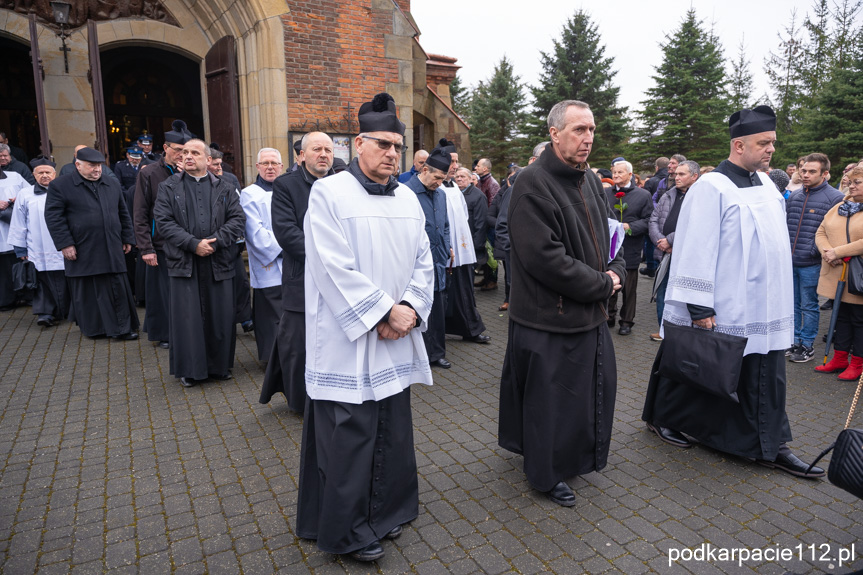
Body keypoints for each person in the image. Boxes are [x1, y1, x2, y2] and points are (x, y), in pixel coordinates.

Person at [641, 105, 825, 479]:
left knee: (758, 369)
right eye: (764, 142)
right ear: (739, 145)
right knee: (700, 363)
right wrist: (697, 305)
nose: (772, 149)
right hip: (726, 299)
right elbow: (695, 246)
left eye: (773, 142)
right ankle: (665, 418)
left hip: (764, 300)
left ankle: (767, 443)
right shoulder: (711, 187)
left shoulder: (765, 185)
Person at [296, 92, 434, 562]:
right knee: (351, 437)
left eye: (398, 145)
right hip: (348, 340)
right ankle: (348, 529)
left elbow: (424, 261)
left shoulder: (410, 199)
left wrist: (410, 308)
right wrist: (382, 313)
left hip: (396, 336)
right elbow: (332, 266)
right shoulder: (329, 193)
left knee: (392, 431)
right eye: (383, 144)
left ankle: (385, 513)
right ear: (358, 144)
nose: (392, 153)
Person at [499, 100, 625, 507]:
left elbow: (607, 237)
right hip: (547, 318)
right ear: (554, 133)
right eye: (578, 130)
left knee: (586, 395)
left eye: (590, 130)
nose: (587, 138)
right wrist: (603, 284)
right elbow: (545, 259)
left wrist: (617, 268)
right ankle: (544, 473)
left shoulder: (590, 179)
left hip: (587, 313)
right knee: (549, 403)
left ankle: (569, 458)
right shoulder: (531, 183)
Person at [153, 139, 245, 387]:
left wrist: (215, 242)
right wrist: (193, 244)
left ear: (207, 159)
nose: (188, 156)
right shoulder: (168, 187)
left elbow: (237, 219)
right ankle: (190, 370)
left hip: (219, 260)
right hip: (185, 261)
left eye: (195, 152)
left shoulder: (225, 187)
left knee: (220, 316)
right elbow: (163, 222)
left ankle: (219, 366)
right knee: (187, 319)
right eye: (185, 152)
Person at [259, 132, 334, 411]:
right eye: (317, 149)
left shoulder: (340, 184)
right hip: (301, 277)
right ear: (301, 156)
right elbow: (287, 234)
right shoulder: (285, 185)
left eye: (328, 149)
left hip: (336, 278)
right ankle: (301, 401)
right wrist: (329, 258)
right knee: (297, 344)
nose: (324, 154)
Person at [44, 147, 139, 340]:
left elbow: (123, 213)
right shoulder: (61, 185)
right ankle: (95, 330)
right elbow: (54, 217)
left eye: (99, 166)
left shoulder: (112, 183)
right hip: (82, 248)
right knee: (89, 290)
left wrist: (128, 237)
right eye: (92, 166)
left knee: (117, 287)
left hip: (112, 246)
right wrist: (65, 244)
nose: (97, 170)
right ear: (77, 165)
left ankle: (123, 328)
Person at [134, 120, 193, 349]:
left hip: (187, 242)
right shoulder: (149, 173)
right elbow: (139, 212)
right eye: (178, 151)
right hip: (159, 243)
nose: (182, 156)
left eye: (186, 152)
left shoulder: (192, 171)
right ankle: (165, 333)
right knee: (163, 293)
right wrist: (145, 248)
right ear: (166, 148)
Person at [785, 152, 843, 363]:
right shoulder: (795, 196)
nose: (806, 175)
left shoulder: (835, 198)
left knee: (809, 305)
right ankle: (794, 340)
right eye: (804, 170)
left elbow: (835, 233)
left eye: (812, 171)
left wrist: (817, 251)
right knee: (792, 304)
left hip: (812, 263)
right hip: (790, 261)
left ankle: (807, 345)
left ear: (825, 173)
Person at [404, 147, 453, 368]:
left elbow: (445, 225)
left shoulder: (441, 195)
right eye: (437, 178)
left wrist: (447, 247)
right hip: (414, 263)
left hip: (439, 261)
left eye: (443, 179)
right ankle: (417, 354)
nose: (440, 183)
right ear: (424, 170)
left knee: (438, 311)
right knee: (418, 308)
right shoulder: (405, 193)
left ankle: (436, 352)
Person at [814, 166, 863, 380]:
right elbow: (821, 230)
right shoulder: (840, 206)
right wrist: (827, 252)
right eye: (850, 182)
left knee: (859, 320)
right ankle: (840, 358)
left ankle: (858, 363)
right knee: (840, 316)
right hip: (837, 274)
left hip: (858, 277)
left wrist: (838, 252)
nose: (851, 186)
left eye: (857, 182)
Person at [8, 157, 68, 326]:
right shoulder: (24, 194)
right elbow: (18, 223)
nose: (44, 176)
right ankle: (45, 313)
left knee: (66, 279)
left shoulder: (65, 191)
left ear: (54, 174)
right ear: (33, 175)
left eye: (47, 172)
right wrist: (20, 250)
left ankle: (69, 311)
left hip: (63, 245)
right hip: (37, 248)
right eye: (40, 173)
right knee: (41, 281)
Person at [240, 148, 284, 363]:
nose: (270, 167)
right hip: (269, 265)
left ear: (281, 167)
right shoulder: (249, 194)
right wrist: (288, 245)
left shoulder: (288, 190)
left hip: (293, 266)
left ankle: (289, 357)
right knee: (270, 317)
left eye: (274, 163)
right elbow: (255, 233)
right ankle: (271, 360)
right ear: (257, 167)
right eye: (265, 163)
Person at [647, 160, 699, 341]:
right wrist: (660, 241)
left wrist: (669, 240)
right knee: (662, 293)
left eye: (681, 174)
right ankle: (663, 330)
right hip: (664, 254)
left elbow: (694, 224)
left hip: (685, 255)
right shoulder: (668, 195)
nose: (676, 177)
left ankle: (682, 332)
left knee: (682, 295)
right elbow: (653, 219)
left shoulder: (700, 198)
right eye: (675, 174)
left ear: (694, 176)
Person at [605, 160, 653, 335]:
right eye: (614, 172)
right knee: (610, 281)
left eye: (620, 173)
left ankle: (627, 320)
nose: (616, 175)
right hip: (609, 248)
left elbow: (648, 220)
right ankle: (609, 315)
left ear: (630, 175)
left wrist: (629, 226)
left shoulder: (643, 195)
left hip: (630, 247)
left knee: (629, 288)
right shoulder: (606, 194)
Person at [444, 166, 490, 343]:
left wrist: (473, 248)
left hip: (462, 250)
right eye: (452, 167)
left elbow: (471, 220)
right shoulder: (439, 189)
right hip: (448, 249)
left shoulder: (456, 190)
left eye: (460, 172)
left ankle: (470, 328)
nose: (455, 173)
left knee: (464, 292)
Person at [0, 162, 30, 310]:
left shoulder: (15, 177)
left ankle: (25, 295)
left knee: (19, 265)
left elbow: (29, 192)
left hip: (14, 227)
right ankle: (5, 301)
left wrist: (16, 199)